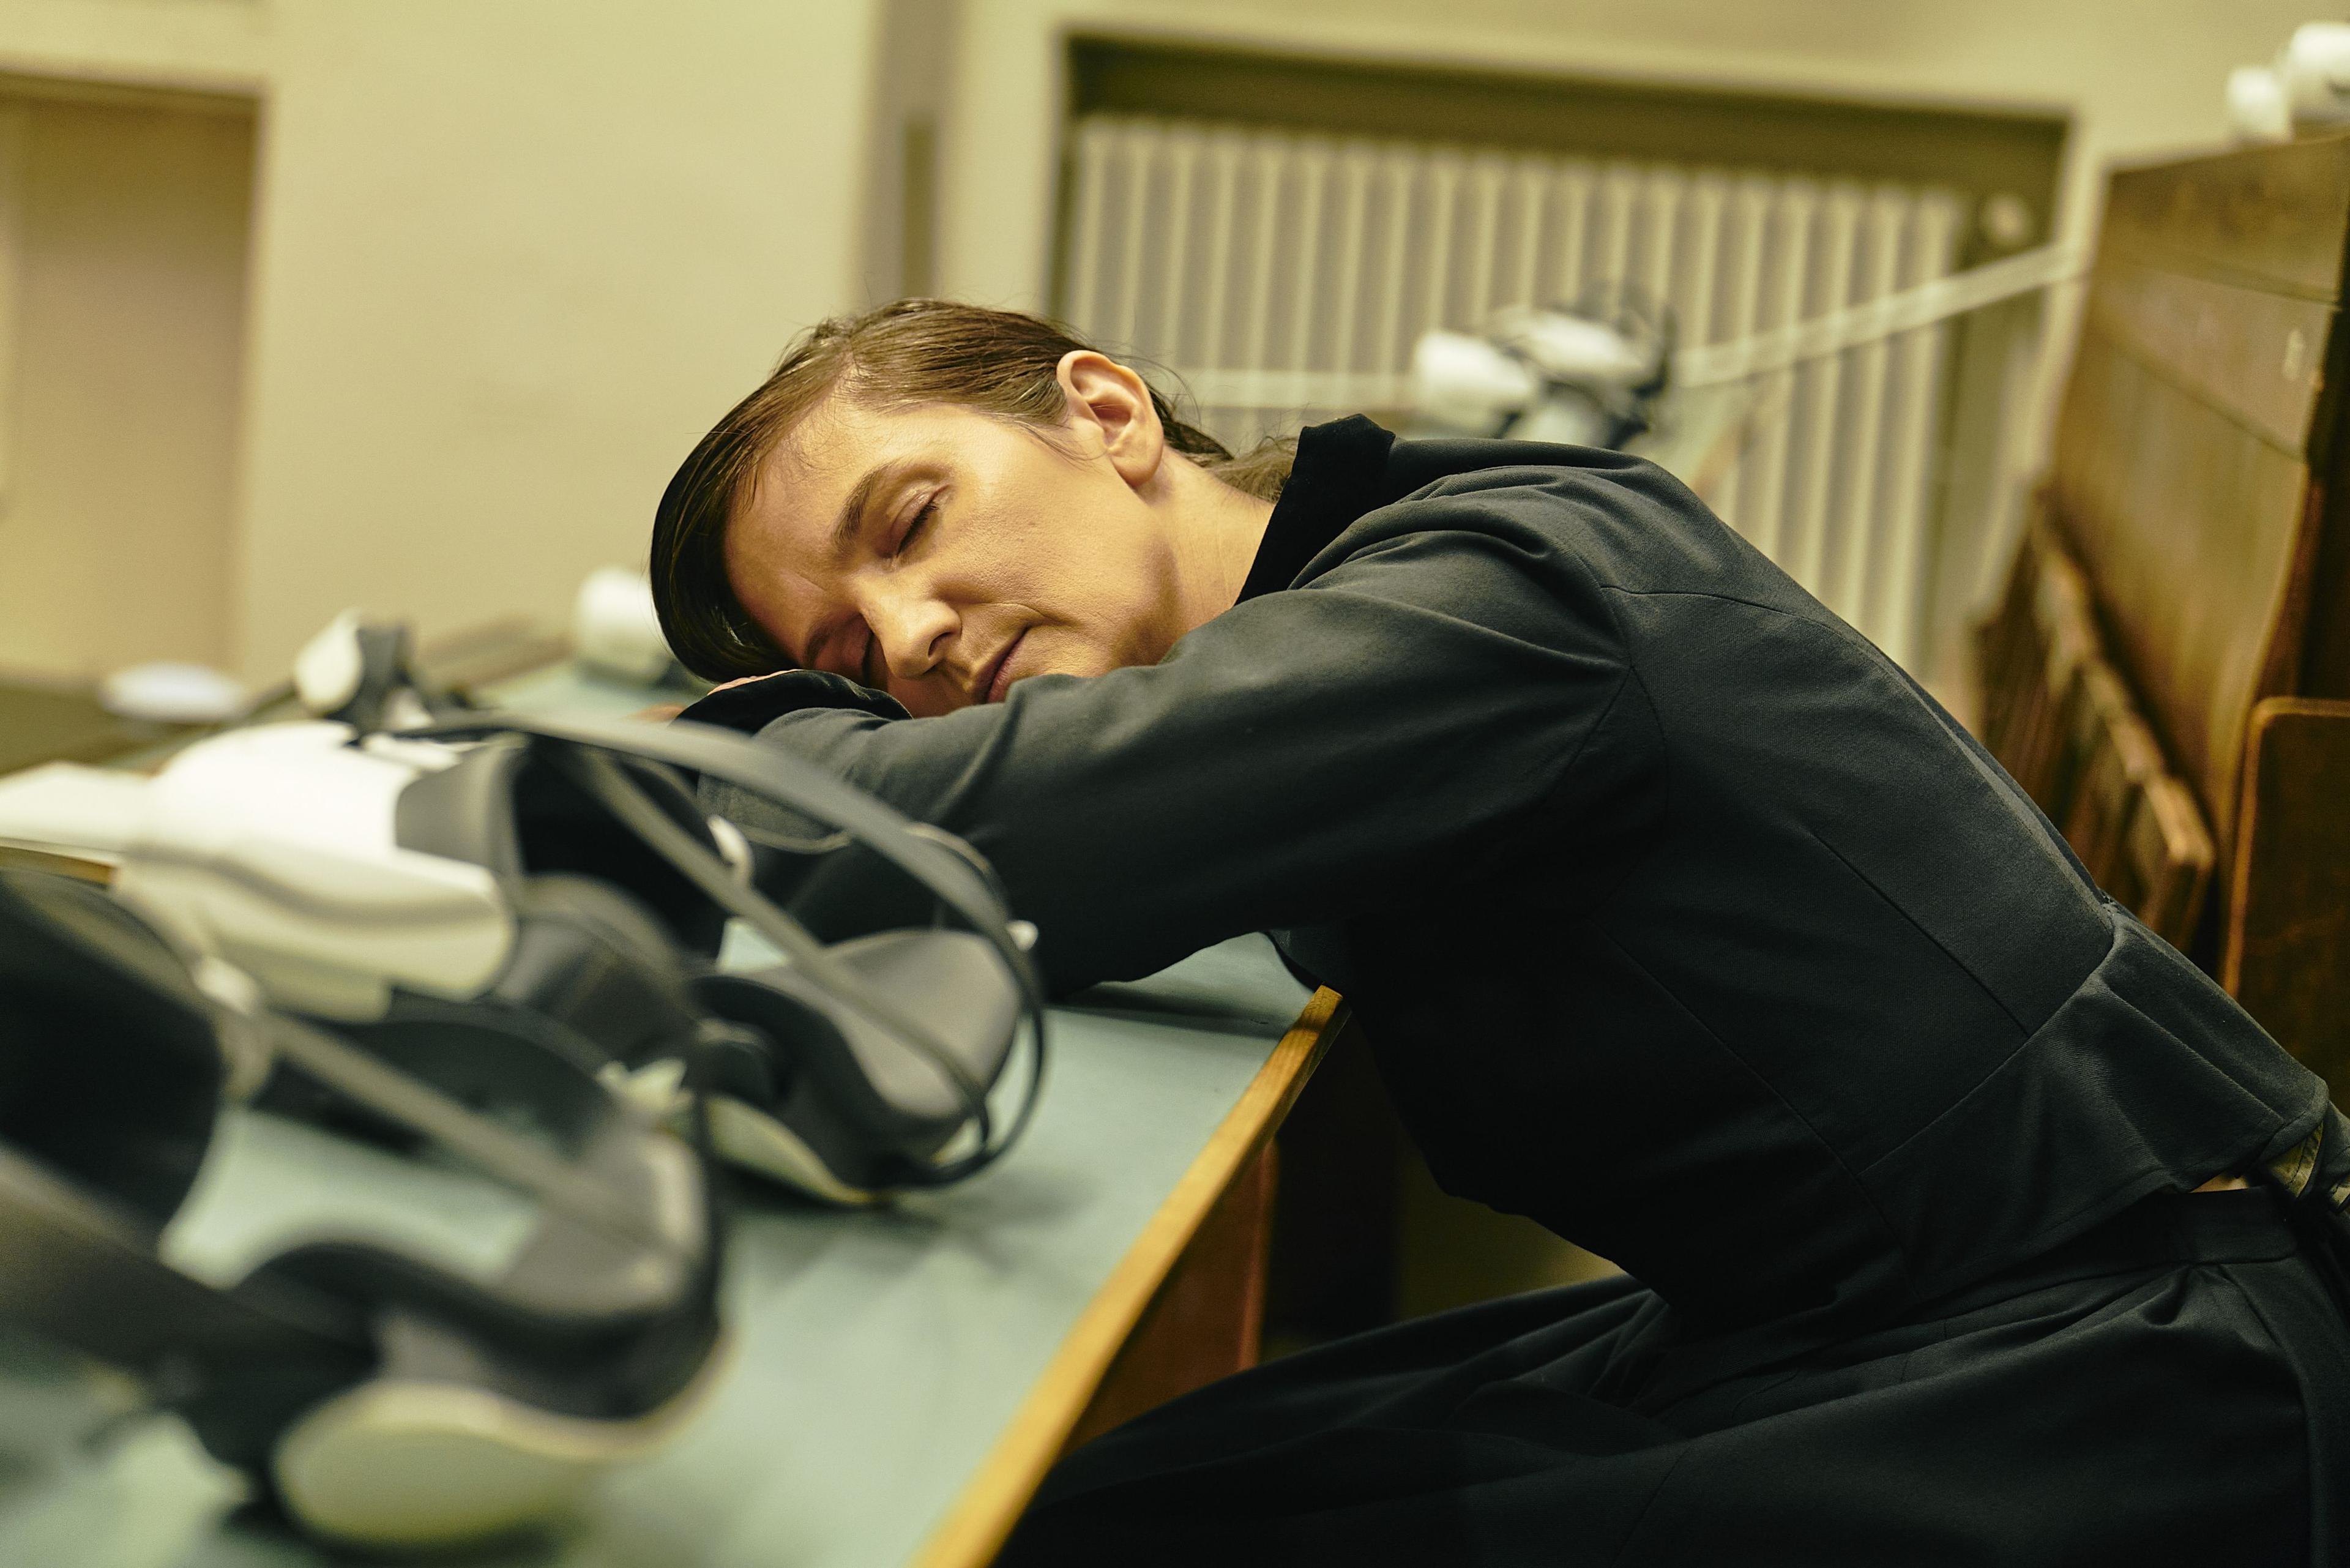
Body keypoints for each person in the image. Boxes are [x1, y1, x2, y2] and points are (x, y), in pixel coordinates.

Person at [651, 299, 2350, 1566]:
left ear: (1105, 410)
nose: (913, 636)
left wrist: (722, 757)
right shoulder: (1343, 619)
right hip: (1877, 1313)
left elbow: (982, 837)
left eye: (911, 521)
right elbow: (1039, 867)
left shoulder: (1492, 591)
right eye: (854, 657)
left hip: (2131, 1373)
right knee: (1109, 1493)